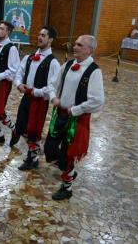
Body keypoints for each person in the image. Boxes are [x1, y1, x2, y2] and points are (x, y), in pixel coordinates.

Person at [44, 35, 105, 201]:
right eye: (76, 44)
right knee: (49, 151)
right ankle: (68, 170)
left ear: (89, 50)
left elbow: (98, 101)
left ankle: (67, 187)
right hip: (61, 115)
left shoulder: (94, 71)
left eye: (79, 45)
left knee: (68, 154)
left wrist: (76, 109)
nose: (75, 47)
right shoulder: (68, 64)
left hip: (77, 120)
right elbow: (52, 84)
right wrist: (53, 97)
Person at [10, 26, 61, 171]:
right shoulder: (29, 57)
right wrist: (19, 84)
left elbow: (53, 87)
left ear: (50, 39)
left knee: (33, 130)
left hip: (39, 101)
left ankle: (32, 157)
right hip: (26, 97)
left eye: (43, 35)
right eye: (39, 34)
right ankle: (35, 154)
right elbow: (19, 72)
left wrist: (36, 92)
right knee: (21, 126)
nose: (39, 37)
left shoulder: (53, 63)